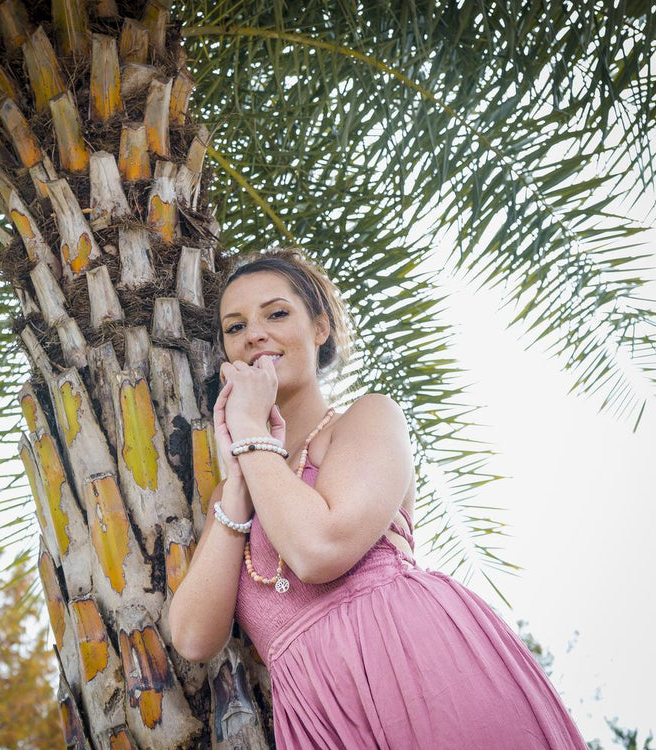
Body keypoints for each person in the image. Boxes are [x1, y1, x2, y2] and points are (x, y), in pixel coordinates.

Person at [168, 248, 588, 748]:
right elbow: (193, 636)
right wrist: (238, 481)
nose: (254, 333)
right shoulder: (238, 486)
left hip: (417, 669)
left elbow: (319, 549)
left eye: (276, 313)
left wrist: (247, 427)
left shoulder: (368, 419)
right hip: (316, 713)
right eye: (234, 327)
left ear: (320, 329)